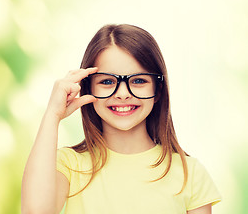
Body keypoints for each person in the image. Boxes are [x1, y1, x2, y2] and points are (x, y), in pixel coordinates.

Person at [21, 24, 221, 214]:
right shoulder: (68, 164)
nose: (123, 94)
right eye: (108, 81)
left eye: (138, 81)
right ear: (89, 88)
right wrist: (52, 115)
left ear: (157, 90)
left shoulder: (190, 173)